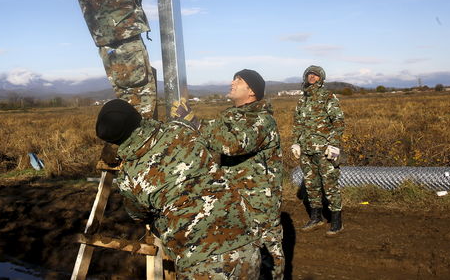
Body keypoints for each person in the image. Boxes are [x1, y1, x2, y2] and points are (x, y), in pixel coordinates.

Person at [96, 98, 261, 279]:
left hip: (200, 262)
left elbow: (137, 215)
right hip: (246, 242)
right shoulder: (179, 129)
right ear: (136, 116)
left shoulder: (128, 177)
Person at [201, 69, 284, 280]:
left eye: (239, 80)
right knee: (238, 257)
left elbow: (232, 144)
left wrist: (197, 125)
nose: (232, 82)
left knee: (268, 258)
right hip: (231, 200)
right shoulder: (227, 116)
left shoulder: (263, 121)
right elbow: (209, 139)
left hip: (259, 204)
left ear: (252, 91)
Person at [290, 65, 345, 235]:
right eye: (309, 75)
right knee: (311, 185)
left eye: (315, 75)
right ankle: (316, 217)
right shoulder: (303, 99)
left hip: (324, 149)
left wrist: (334, 145)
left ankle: (336, 221)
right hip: (306, 150)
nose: (312, 77)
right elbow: (298, 123)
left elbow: (338, 121)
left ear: (321, 78)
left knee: (330, 185)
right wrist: (296, 143)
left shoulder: (328, 97)